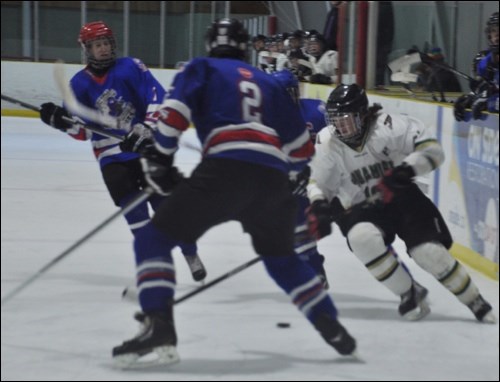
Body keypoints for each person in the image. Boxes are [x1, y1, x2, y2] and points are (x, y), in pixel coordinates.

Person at [112, 18, 357, 368]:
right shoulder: (267, 81)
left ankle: (159, 327)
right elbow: (301, 153)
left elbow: (173, 117)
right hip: (272, 180)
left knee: (153, 239)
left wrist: (160, 162)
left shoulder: (201, 67)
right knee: (282, 260)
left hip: (224, 173)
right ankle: (331, 326)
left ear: (211, 44)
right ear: (244, 48)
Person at [307, 83, 496, 323]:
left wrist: (407, 170)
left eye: (347, 119)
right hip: (361, 206)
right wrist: (319, 205)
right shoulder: (327, 141)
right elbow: (317, 181)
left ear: (363, 114)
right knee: (361, 238)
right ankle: (409, 292)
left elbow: (433, 149)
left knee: (428, 253)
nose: (340, 127)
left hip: (402, 198)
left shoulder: (390, 126)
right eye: (336, 120)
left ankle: (473, 299)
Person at [38, 21, 207, 282]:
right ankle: (156, 260)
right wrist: (60, 122)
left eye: (106, 43)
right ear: (87, 50)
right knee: (134, 211)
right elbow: (81, 132)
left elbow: (156, 99)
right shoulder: (79, 84)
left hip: (145, 147)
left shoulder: (130, 67)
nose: (103, 49)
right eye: (97, 46)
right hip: (111, 156)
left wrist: (145, 130)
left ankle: (190, 252)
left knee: (168, 206)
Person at [271, 69, 329, 288]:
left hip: (325, 177)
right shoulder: (267, 121)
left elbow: (337, 141)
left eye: (289, 93)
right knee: (297, 228)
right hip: (294, 183)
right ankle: (315, 270)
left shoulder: (317, 110)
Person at [454, 12, 499, 121]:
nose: (497, 35)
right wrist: (470, 99)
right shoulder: (484, 60)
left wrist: (491, 102)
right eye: (494, 30)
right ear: (489, 35)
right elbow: (481, 89)